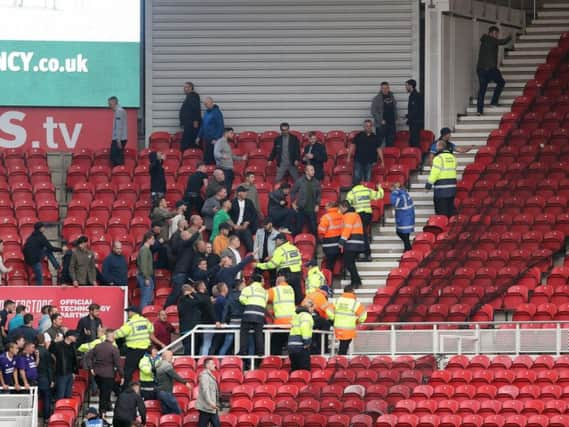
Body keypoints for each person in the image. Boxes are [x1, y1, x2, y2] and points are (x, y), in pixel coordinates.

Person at [256, 233, 303, 304]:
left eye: (276, 240)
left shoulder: (279, 250)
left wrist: (259, 265)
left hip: (285, 274)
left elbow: (272, 265)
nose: (275, 242)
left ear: (280, 240)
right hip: (297, 273)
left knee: (284, 295)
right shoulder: (294, 248)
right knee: (297, 296)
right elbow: (298, 260)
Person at [115, 306, 155, 388]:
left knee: (128, 372)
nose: (128, 313)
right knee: (144, 370)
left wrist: (108, 334)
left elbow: (119, 334)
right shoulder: (145, 321)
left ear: (133, 312)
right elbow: (152, 329)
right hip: (145, 351)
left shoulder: (131, 323)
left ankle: (125, 390)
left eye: (128, 312)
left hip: (134, 351)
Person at [85, 329, 123, 416]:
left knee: (104, 392)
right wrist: (122, 376)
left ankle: (106, 408)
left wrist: (91, 368)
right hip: (108, 375)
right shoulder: (114, 349)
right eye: (113, 336)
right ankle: (102, 412)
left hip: (97, 374)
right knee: (105, 394)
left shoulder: (98, 346)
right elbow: (118, 364)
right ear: (111, 337)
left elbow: (88, 357)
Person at [476, 26, 512, 115]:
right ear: (491, 33)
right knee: (501, 82)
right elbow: (502, 42)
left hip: (481, 69)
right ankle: (493, 102)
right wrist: (510, 37)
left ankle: (479, 111)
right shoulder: (490, 39)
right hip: (490, 70)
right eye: (496, 34)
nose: (496, 36)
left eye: (497, 34)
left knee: (482, 90)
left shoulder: (485, 40)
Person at [346, 180, 384, 262]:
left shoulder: (351, 193)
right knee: (364, 233)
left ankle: (366, 254)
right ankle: (364, 253)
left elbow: (347, 205)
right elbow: (379, 195)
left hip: (359, 216)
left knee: (362, 235)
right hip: (368, 215)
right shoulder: (367, 190)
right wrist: (379, 188)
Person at [166, 228, 203, 308]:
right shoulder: (182, 244)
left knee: (181, 294)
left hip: (185, 273)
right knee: (175, 293)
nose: (190, 236)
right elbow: (191, 240)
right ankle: (165, 309)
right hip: (180, 273)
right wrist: (198, 231)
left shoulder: (189, 247)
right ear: (185, 237)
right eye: (189, 234)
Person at [326, 286, 367, 355]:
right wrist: (358, 321)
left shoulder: (337, 301)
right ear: (352, 292)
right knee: (344, 346)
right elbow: (363, 316)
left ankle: (341, 360)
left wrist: (333, 318)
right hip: (348, 329)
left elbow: (328, 310)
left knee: (343, 345)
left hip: (338, 327)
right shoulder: (355, 303)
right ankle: (341, 361)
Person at [238, 274, 268, 359]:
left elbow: (241, 299)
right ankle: (260, 352)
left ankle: (243, 351)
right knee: (258, 333)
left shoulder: (248, 288)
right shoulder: (265, 291)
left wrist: (249, 303)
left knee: (244, 332)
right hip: (260, 314)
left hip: (249, 312)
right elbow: (265, 302)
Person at [23, 222, 61, 286]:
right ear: (40, 229)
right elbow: (51, 248)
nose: (44, 228)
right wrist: (61, 249)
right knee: (40, 279)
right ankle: (57, 267)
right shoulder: (41, 237)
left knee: (47, 251)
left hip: (28, 259)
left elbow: (24, 249)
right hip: (35, 260)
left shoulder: (31, 237)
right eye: (43, 227)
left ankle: (57, 266)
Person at [426, 140, 458, 217]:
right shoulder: (453, 158)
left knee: (441, 214)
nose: (436, 148)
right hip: (452, 189)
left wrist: (428, 184)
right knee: (450, 212)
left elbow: (434, 173)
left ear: (440, 146)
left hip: (441, 190)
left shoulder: (438, 158)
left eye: (436, 146)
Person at [348, 119, 384, 185]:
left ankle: (366, 192)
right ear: (364, 127)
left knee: (368, 178)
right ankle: (355, 191)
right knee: (357, 177)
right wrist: (348, 157)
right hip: (358, 160)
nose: (368, 127)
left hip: (369, 161)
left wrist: (382, 161)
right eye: (367, 126)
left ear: (372, 126)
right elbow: (352, 146)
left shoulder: (375, 137)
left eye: (370, 126)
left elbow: (379, 149)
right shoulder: (358, 136)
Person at [156, 350, 192, 414]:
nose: (172, 357)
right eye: (171, 355)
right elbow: (175, 376)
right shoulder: (166, 365)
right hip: (166, 392)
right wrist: (185, 383)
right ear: (165, 356)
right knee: (177, 410)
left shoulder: (159, 364)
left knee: (166, 412)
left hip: (160, 392)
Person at [338, 201, 364, 288]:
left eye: (340, 208)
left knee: (349, 263)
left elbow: (347, 229)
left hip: (352, 243)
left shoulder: (348, 215)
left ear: (344, 207)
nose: (339, 210)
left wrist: (341, 241)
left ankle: (356, 281)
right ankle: (356, 280)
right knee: (350, 263)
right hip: (356, 242)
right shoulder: (354, 215)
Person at [267, 276, 296, 355]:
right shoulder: (291, 289)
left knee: (275, 346)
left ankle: (274, 362)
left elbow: (264, 298)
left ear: (277, 282)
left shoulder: (274, 290)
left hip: (280, 323)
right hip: (292, 323)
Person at [214, 127, 247, 193]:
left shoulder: (227, 143)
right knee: (224, 191)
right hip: (223, 170)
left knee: (227, 190)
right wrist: (222, 156)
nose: (233, 135)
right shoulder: (220, 142)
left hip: (228, 171)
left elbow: (231, 156)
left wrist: (241, 158)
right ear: (226, 133)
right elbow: (216, 153)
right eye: (231, 133)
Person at [291, 164, 321, 236]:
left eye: (313, 170)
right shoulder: (300, 181)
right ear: (306, 172)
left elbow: (319, 194)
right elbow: (293, 192)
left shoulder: (316, 182)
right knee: (298, 228)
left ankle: (315, 244)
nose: (313, 171)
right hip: (301, 208)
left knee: (314, 229)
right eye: (311, 170)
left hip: (311, 209)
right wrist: (293, 203)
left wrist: (317, 204)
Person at [50, 330, 79, 399]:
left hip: (70, 374)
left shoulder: (73, 346)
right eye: (74, 336)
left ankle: (66, 409)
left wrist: (74, 372)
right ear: (69, 336)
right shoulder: (58, 345)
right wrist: (54, 342)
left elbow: (73, 360)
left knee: (68, 395)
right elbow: (50, 351)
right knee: (60, 395)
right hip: (61, 373)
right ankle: (58, 409)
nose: (76, 338)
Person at [287, 299, 314, 371]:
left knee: (295, 370)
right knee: (305, 371)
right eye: (312, 308)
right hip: (301, 346)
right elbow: (305, 329)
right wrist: (307, 342)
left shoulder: (297, 316)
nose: (313, 311)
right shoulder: (307, 316)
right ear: (309, 307)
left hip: (292, 346)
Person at [230, 186, 258, 252]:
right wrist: (233, 225)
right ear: (239, 193)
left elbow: (254, 215)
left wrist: (248, 222)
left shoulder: (249, 202)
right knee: (234, 242)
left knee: (250, 244)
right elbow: (227, 216)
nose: (246, 193)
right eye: (244, 192)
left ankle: (251, 254)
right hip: (234, 228)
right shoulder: (232, 202)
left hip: (245, 227)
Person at [317, 202, 343, 272]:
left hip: (329, 243)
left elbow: (321, 230)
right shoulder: (341, 215)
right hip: (340, 242)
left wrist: (321, 237)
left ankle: (329, 277)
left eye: (326, 206)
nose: (325, 207)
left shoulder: (326, 217)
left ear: (330, 207)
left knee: (329, 264)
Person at [198, 97, 225, 165]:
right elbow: (203, 125)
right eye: (204, 104)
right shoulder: (206, 113)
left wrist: (216, 138)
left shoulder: (216, 113)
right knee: (207, 159)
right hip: (206, 140)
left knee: (213, 159)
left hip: (213, 140)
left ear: (211, 102)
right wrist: (199, 136)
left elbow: (220, 127)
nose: (205, 106)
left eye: (206, 104)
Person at [371, 81, 398, 147]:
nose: (385, 89)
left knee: (390, 142)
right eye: (383, 88)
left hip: (391, 124)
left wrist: (396, 118)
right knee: (379, 143)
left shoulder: (392, 96)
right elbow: (373, 111)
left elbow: (394, 108)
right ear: (381, 89)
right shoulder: (377, 98)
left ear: (389, 88)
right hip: (381, 125)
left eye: (386, 88)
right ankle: (378, 157)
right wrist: (380, 120)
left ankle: (389, 156)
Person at [391, 182, 415, 252]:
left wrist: (394, 192)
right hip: (408, 214)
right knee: (405, 234)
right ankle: (407, 248)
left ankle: (408, 249)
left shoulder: (398, 194)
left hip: (404, 215)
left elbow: (395, 203)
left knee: (402, 233)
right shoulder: (404, 193)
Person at [178, 284, 202, 355]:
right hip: (188, 329)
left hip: (191, 328)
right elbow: (200, 300)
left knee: (193, 350)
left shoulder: (183, 300)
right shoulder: (184, 300)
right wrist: (193, 293)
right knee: (189, 350)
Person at [196, 358, 220, 427]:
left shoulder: (209, 375)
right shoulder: (205, 376)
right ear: (207, 365)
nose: (214, 365)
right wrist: (211, 403)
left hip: (210, 407)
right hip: (207, 407)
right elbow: (205, 391)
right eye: (212, 363)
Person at [179, 82, 201, 151]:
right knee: (188, 142)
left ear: (190, 88)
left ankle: (190, 156)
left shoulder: (193, 96)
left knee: (188, 143)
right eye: (184, 87)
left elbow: (196, 108)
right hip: (188, 124)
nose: (184, 89)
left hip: (191, 124)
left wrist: (196, 120)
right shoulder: (189, 96)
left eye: (186, 87)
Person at [137, 232, 156, 311]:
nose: (154, 241)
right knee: (146, 298)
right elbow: (143, 265)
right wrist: (146, 277)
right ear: (148, 239)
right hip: (145, 276)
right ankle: (144, 314)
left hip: (146, 276)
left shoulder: (145, 249)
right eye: (152, 239)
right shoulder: (144, 250)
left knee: (148, 298)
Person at [37, 335, 54, 421]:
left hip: (35, 378)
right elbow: (49, 367)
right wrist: (51, 380)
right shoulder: (46, 352)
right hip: (45, 378)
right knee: (47, 398)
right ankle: (46, 417)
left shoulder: (33, 350)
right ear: (44, 341)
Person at [108, 96, 128, 167]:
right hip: (120, 138)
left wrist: (118, 140)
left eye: (110, 104)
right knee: (117, 157)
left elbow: (119, 127)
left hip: (119, 139)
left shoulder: (119, 112)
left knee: (116, 158)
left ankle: (119, 172)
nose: (109, 106)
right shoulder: (120, 111)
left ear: (114, 103)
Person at [405, 79, 424, 148]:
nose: (405, 87)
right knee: (412, 141)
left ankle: (417, 156)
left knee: (415, 141)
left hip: (416, 123)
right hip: (413, 123)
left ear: (411, 86)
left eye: (406, 85)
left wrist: (408, 116)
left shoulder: (416, 96)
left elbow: (416, 110)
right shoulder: (411, 96)